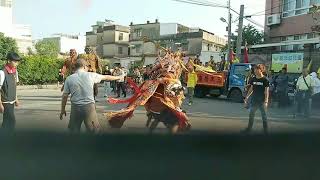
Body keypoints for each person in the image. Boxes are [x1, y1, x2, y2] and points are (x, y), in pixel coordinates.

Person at [59, 59, 120, 133]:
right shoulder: (91, 75)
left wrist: (63, 110)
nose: (88, 68)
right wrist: (119, 77)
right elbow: (106, 77)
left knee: (73, 130)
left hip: (75, 108)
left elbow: (65, 96)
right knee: (94, 130)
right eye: (87, 66)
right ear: (84, 67)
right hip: (89, 108)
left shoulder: (69, 78)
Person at [243, 64, 270, 134]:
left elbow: (266, 91)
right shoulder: (253, 79)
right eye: (254, 69)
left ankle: (265, 131)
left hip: (262, 101)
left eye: (256, 69)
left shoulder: (265, 79)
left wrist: (266, 101)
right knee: (251, 114)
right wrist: (247, 97)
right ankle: (249, 129)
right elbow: (251, 89)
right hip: (254, 100)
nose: (255, 71)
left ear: (261, 70)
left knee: (264, 116)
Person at [0, 52, 21, 131]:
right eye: (15, 61)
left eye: (18, 62)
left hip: (12, 101)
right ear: (9, 61)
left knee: (6, 121)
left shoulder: (15, 72)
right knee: (12, 121)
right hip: (5, 102)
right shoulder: (2, 72)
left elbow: (14, 86)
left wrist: (16, 99)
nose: (17, 63)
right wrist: (0, 104)